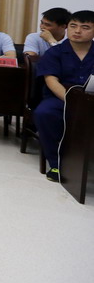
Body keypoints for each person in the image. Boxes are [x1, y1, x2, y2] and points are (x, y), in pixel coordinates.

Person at [33, 10, 94, 182]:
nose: (77, 31)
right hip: (60, 98)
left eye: (85, 27)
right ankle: (56, 163)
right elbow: (51, 81)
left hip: (91, 99)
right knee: (45, 113)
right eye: (73, 26)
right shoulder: (55, 52)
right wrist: (72, 101)